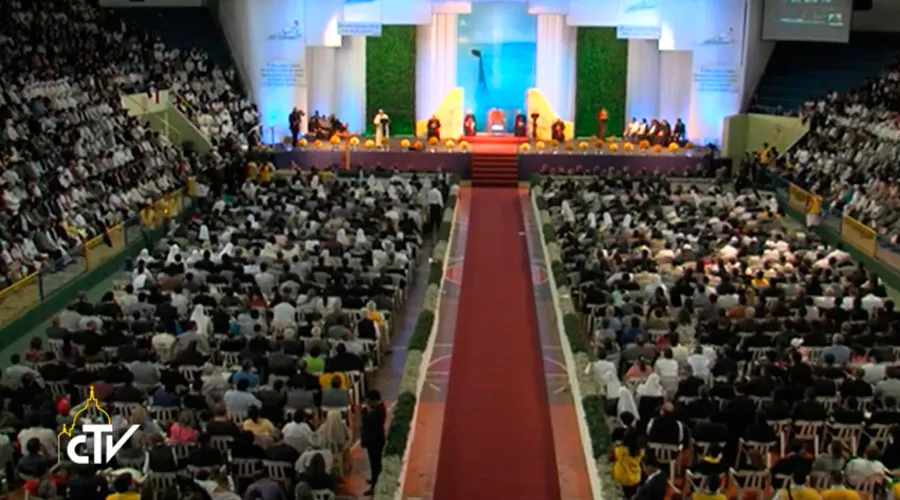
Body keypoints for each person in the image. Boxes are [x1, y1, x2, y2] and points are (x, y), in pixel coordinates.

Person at [361, 390, 386, 495]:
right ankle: (374, 479)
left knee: (376, 464)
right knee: (374, 463)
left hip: (375, 441)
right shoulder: (377, 409)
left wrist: (366, 412)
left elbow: (367, 421)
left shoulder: (378, 412)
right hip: (373, 440)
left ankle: (375, 485)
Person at [610, 430, 644, 497]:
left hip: (622, 479)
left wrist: (616, 446)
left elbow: (611, 458)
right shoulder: (641, 452)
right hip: (635, 479)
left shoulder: (620, 450)